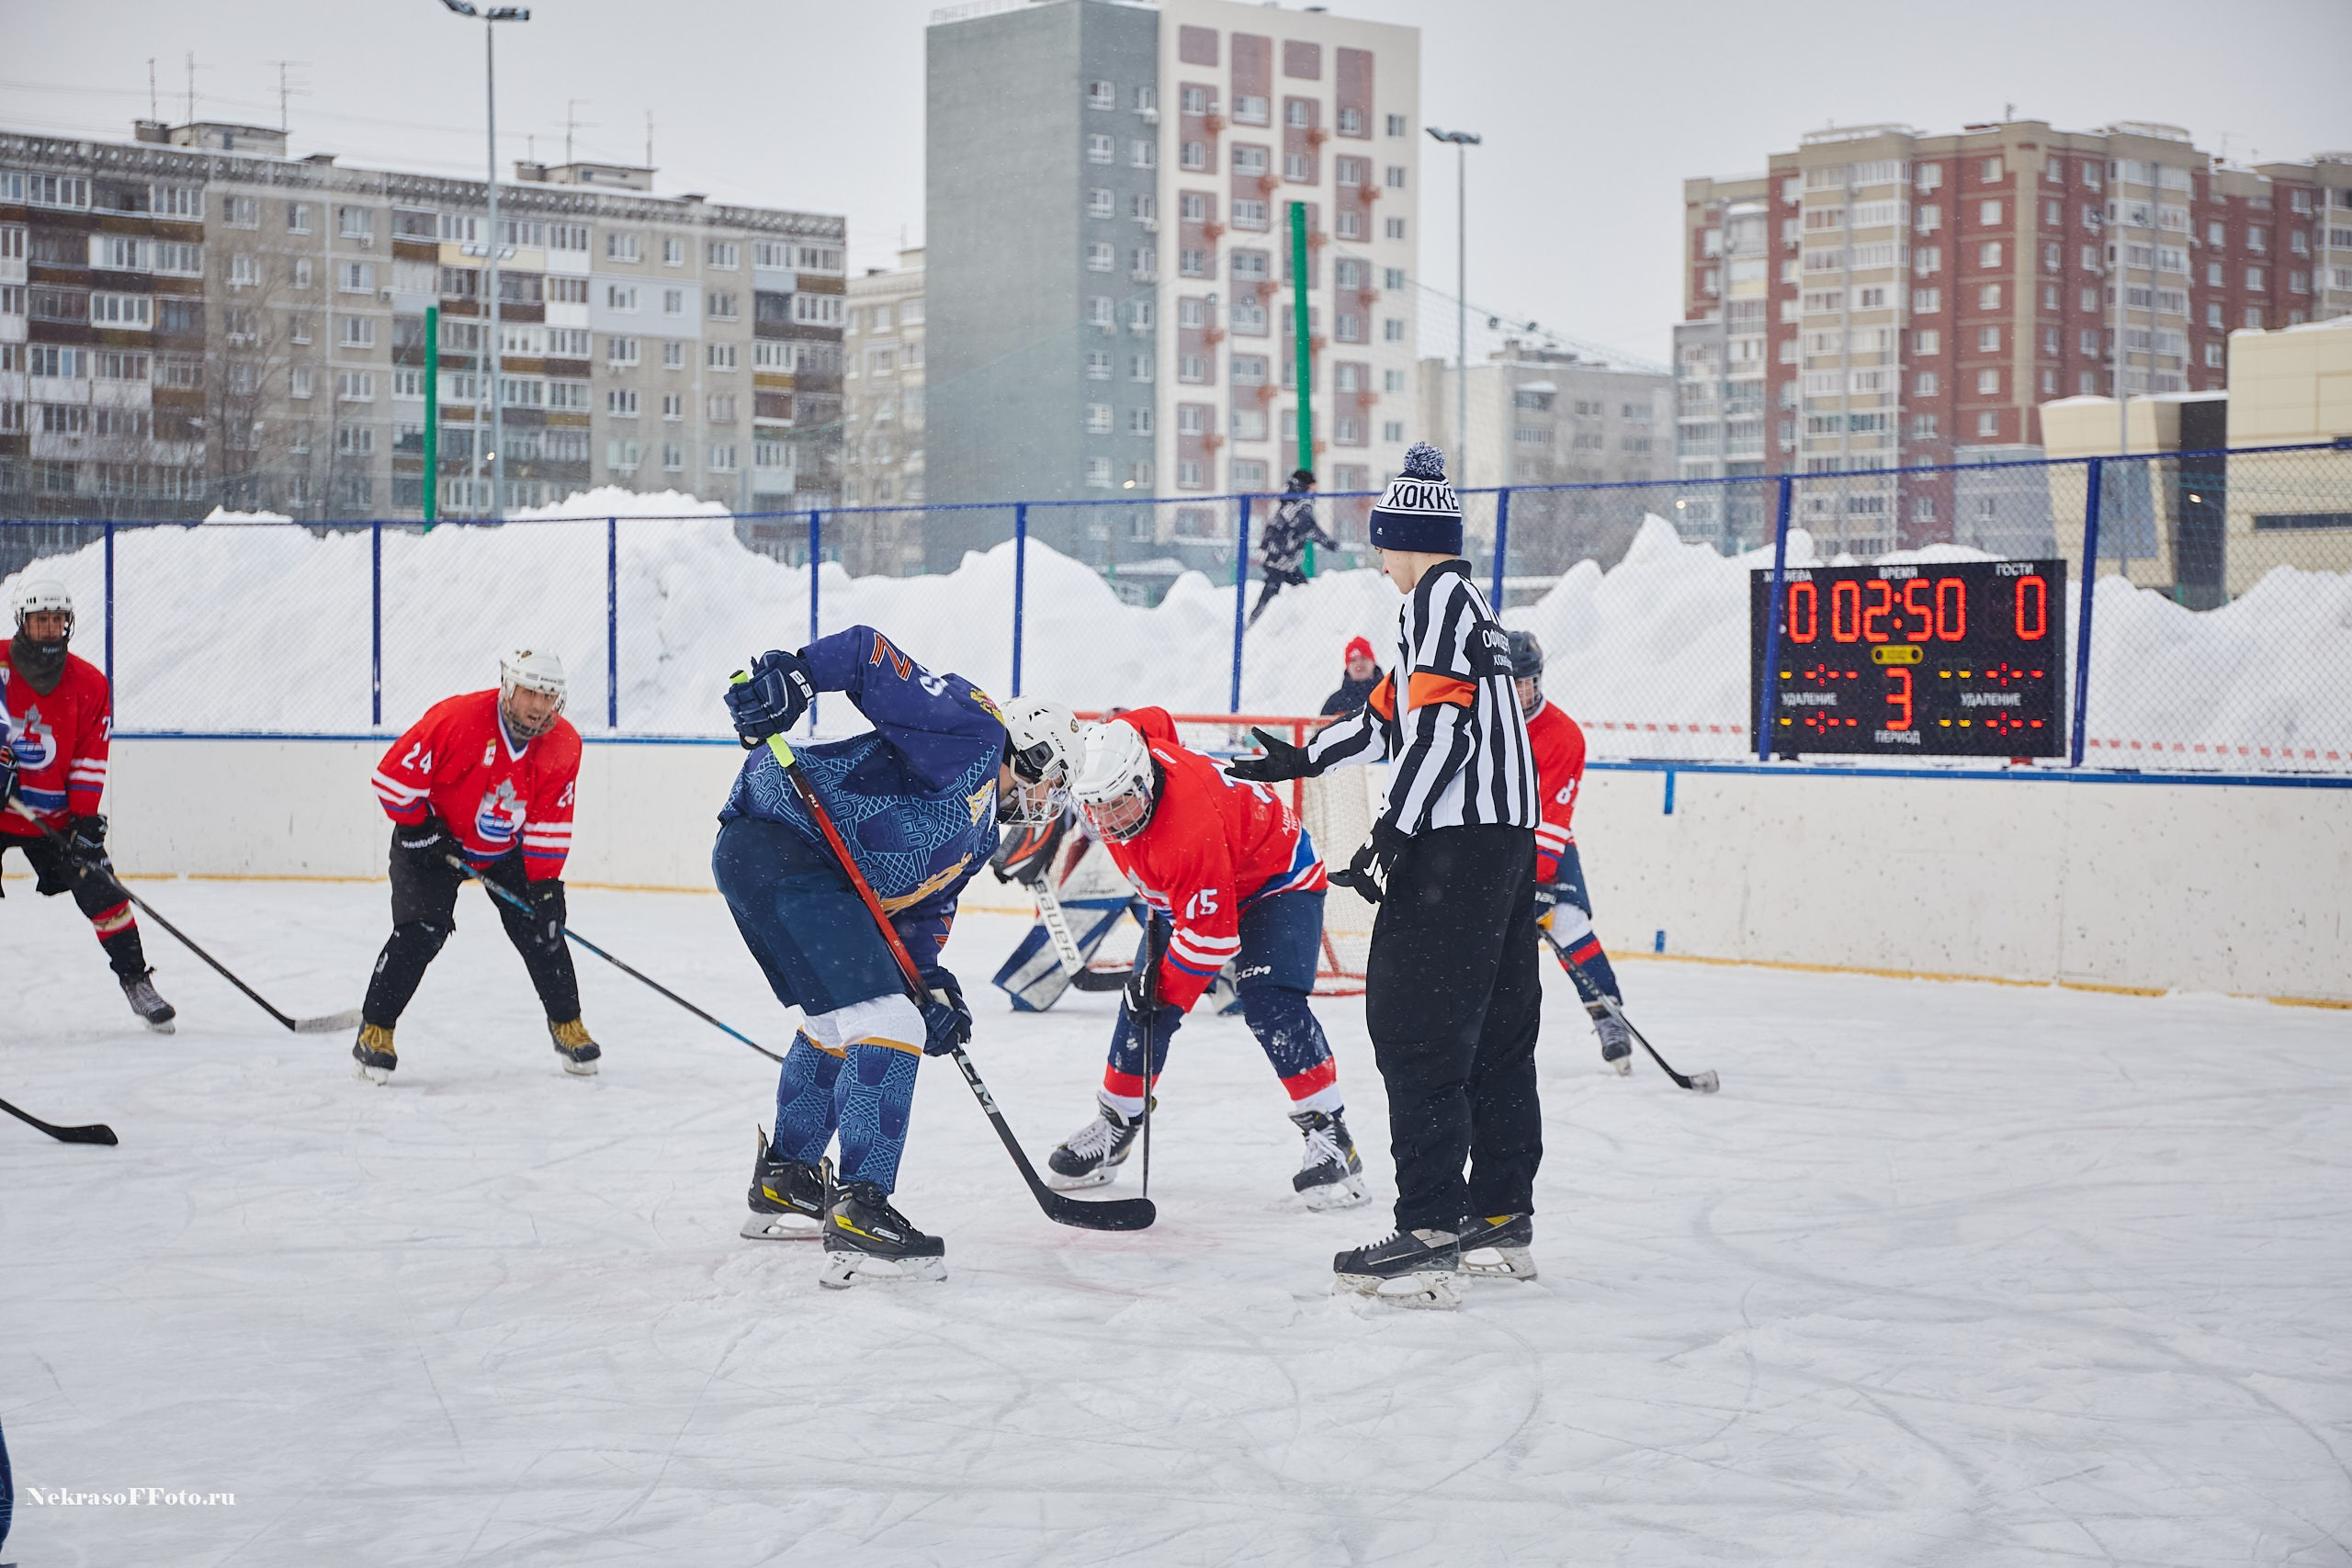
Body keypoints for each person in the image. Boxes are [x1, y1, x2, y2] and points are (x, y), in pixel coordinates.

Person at [1229, 442, 1542, 1306]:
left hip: (1456, 843)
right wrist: (1304, 756)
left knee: (1414, 1022)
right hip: (1506, 839)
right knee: (1498, 1031)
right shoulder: (1460, 606)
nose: (1374, 555)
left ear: (1405, 535)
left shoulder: (1437, 598)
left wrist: (1392, 833)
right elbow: (1386, 716)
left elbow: (1439, 734)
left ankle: (1432, 1226)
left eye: (1381, 539)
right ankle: (1499, 1212)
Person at [716, 630, 1055, 1288]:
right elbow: (871, 656)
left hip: (783, 865)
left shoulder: (979, 834)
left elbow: (921, 918)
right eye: (1051, 780)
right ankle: (862, 1205)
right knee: (887, 1022)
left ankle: (787, 1176)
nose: (1046, 803)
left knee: (841, 1023)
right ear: (1033, 753)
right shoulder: (975, 736)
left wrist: (931, 986)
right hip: (785, 842)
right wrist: (799, 676)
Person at [1049, 706, 1367, 1210]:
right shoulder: (1129, 762)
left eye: (1119, 804)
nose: (1109, 821)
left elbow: (1211, 941)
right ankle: (1118, 1123)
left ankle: (1332, 1135)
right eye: (1096, 808)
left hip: (1275, 878)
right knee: (1142, 1007)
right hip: (1198, 880)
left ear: (1144, 782)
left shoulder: (1185, 830)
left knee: (1268, 1004)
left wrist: (1161, 992)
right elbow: (1153, 719)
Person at [356, 649, 592, 1083]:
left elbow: (548, 822)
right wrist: (421, 829)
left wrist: (546, 887)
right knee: (422, 931)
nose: (539, 706)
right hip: (433, 843)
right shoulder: (457, 719)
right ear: (508, 687)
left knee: (543, 930)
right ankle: (376, 1028)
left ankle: (567, 1023)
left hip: (503, 848)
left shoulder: (563, 744)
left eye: (548, 696)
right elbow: (392, 780)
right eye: (530, 693)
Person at [0, 580, 175, 1030]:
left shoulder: (90, 683)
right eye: (41, 620)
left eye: (58, 619)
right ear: (23, 622)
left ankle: (137, 982)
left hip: (51, 816)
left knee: (103, 891)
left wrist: (84, 821)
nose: (51, 628)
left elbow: (88, 757)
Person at [1510, 630, 1633, 1075]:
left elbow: (1552, 819)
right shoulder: (1478, 723)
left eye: (1528, 681)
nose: (1522, 691)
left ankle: (1608, 1017)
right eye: (1513, 682)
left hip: (1542, 847)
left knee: (1567, 922)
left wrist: (1538, 884)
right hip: (1486, 847)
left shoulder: (1563, 735)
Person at [1246, 468, 1337, 628]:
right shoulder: (1299, 503)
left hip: (1280, 555)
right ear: (1308, 485)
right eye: (1314, 485)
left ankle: (1259, 622)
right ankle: (1256, 623)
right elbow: (1307, 527)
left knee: (1298, 587)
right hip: (1279, 556)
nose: (1316, 489)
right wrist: (1328, 542)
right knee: (1274, 589)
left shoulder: (1292, 499)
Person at [1319, 636, 1385, 719]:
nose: (1359, 664)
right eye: (1353, 660)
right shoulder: (1334, 703)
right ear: (1347, 667)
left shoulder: (1388, 695)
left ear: (1373, 662)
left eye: (1364, 658)